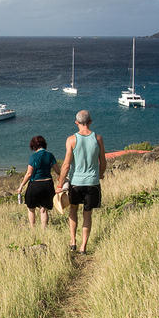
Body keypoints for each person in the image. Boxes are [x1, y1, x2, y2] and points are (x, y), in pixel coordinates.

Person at [56, 109, 106, 254]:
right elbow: (102, 161)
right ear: (90, 122)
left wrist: (60, 185)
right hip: (92, 183)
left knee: (73, 210)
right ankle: (84, 246)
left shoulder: (71, 140)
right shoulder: (98, 138)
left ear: (76, 122)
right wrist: (101, 174)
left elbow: (65, 165)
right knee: (87, 213)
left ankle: (73, 241)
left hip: (76, 183)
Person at [16, 135, 60, 228]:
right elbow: (57, 171)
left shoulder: (33, 157)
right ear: (44, 144)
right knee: (44, 209)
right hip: (48, 184)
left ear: (33, 146)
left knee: (31, 208)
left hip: (35, 184)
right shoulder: (50, 155)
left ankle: (33, 229)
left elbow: (29, 174)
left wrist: (21, 186)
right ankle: (44, 230)